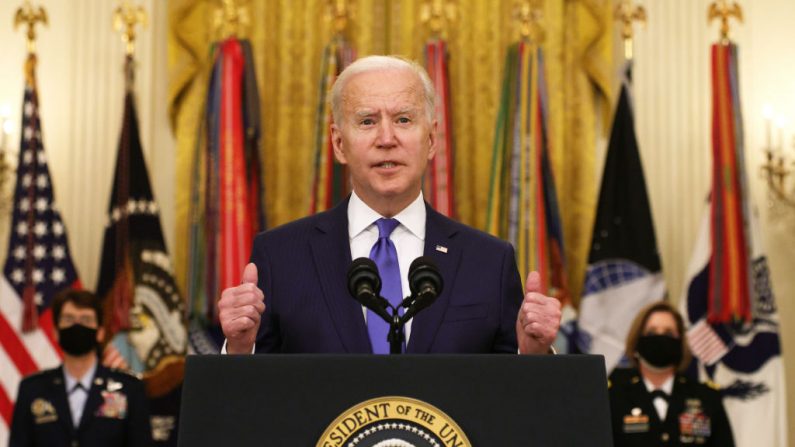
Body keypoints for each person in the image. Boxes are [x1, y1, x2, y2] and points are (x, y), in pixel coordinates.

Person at [218, 55, 561, 355]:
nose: (386, 139)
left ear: (430, 140)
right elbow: (251, 403)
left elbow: (513, 401)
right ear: (339, 144)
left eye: (403, 120)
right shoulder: (280, 256)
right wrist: (239, 348)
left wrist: (531, 354)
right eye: (367, 121)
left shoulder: (488, 262)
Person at [9, 289, 153, 447]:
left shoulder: (130, 390)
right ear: (56, 332)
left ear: (100, 333)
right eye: (69, 319)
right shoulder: (33, 389)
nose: (77, 325)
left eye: (86, 319)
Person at [608, 302, 735, 446]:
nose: (660, 338)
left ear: (680, 343)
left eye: (669, 333)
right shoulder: (612, 397)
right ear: (637, 341)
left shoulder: (706, 397)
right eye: (651, 332)